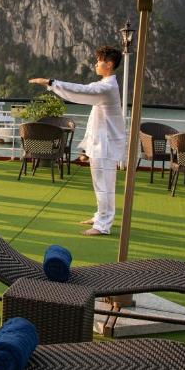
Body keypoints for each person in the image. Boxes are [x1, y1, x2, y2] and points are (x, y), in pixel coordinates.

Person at [30, 45, 126, 236]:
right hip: (101, 143)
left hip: (106, 145)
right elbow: (86, 93)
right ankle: (101, 216)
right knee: (100, 183)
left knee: (105, 185)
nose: (96, 64)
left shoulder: (107, 87)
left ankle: (103, 225)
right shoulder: (104, 84)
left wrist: (50, 83)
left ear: (109, 64)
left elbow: (81, 90)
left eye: (99, 61)